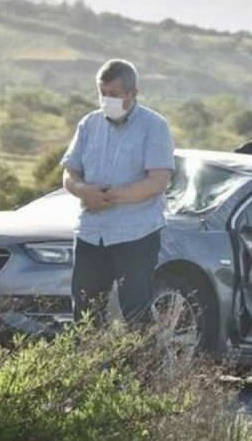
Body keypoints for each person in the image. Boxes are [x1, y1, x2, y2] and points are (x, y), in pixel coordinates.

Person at [61, 59, 174, 326]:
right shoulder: (89, 124)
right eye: (103, 94)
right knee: (85, 312)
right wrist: (84, 191)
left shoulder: (154, 126)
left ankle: (140, 367)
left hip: (135, 234)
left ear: (133, 93)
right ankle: (89, 366)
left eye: (114, 94)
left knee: (135, 312)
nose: (107, 100)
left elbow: (158, 180)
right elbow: (69, 173)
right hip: (91, 233)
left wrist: (112, 197)